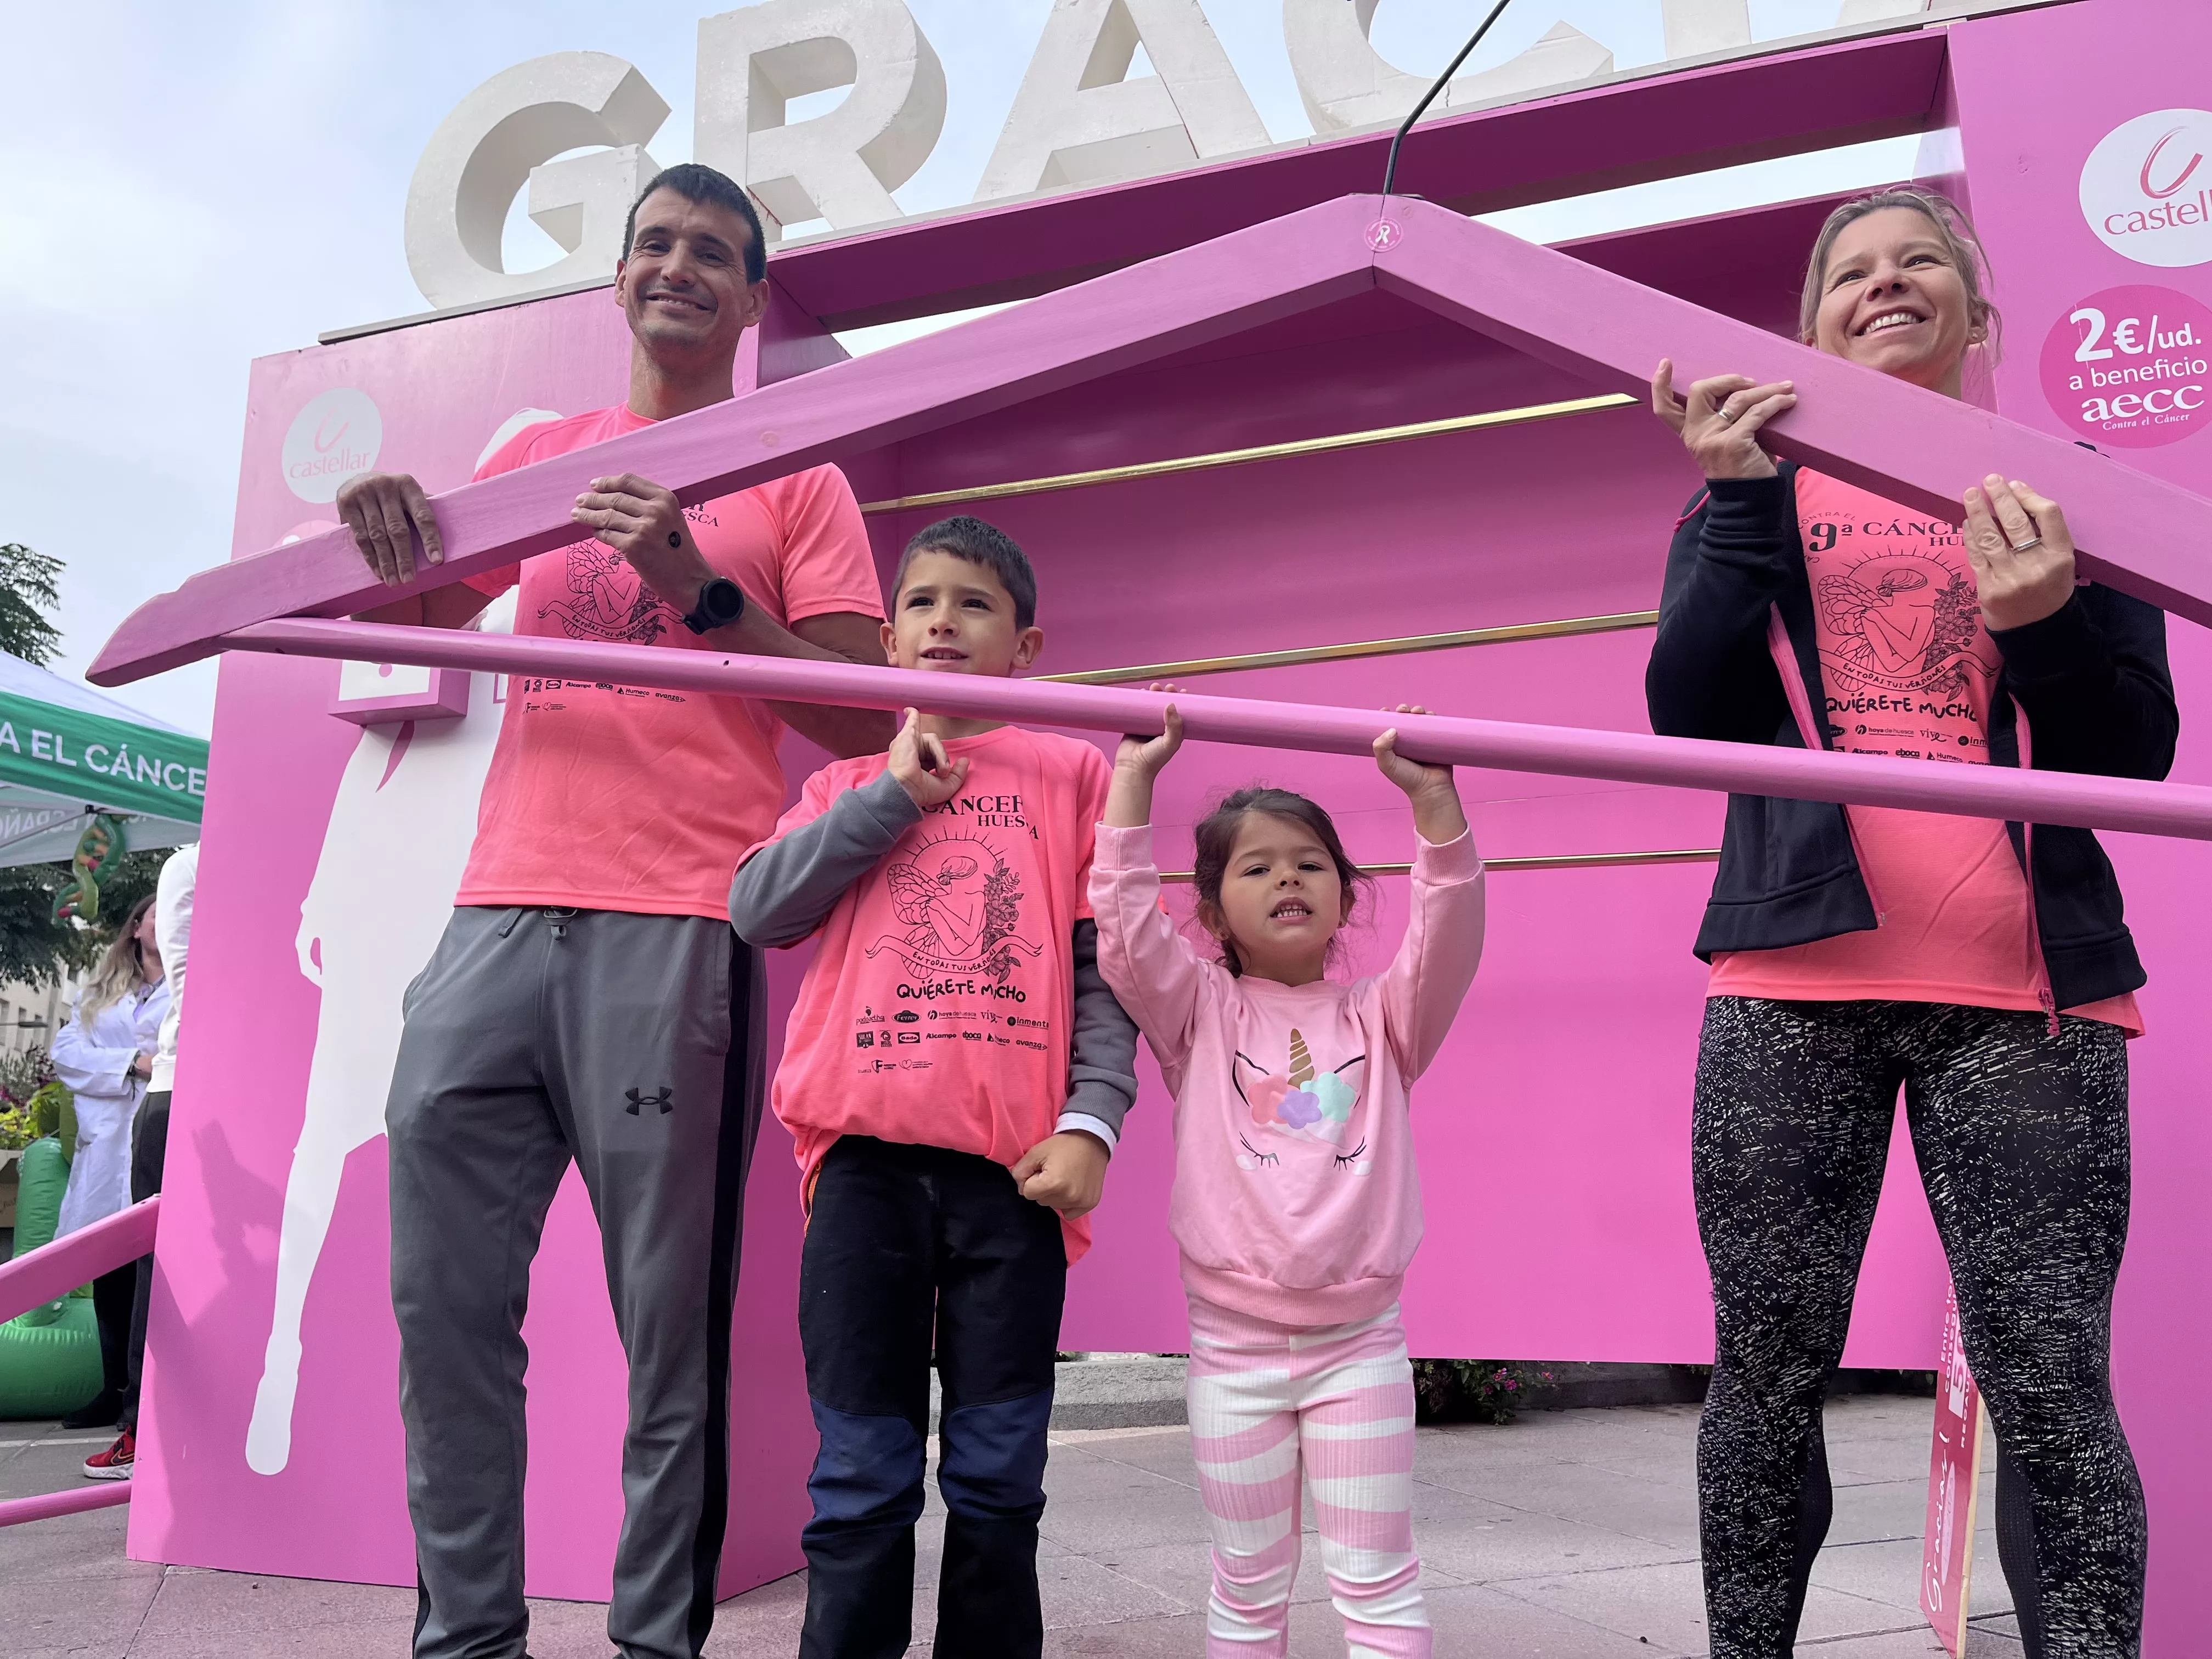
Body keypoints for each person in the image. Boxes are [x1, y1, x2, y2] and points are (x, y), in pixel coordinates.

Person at [339, 162, 892, 1659]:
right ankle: (468, 1642)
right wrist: (384, 531)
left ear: (754, 296)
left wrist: (692, 580)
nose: (678, 267)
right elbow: (412, 615)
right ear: (621, 274)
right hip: (494, 923)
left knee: (670, 1344)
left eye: (713, 251)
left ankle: (654, 1646)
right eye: (655, 242)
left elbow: (861, 716)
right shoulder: (542, 455)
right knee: (444, 1316)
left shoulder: (796, 474)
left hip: (679, 926)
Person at [1646, 187, 2171, 1658]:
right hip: (1789, 986)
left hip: (2033, 1000)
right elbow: (1691, 715)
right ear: (1813, 327)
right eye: (1853, 273)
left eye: (1918, 261)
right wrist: (1738, 502)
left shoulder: (2066, 489)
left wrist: (2045, 620)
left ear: (1975, 310)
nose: (1885, 284)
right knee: (1766, 1370)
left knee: (2052, 1384)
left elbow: (2132, 758)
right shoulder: (1747, 484)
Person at [727, 516, 1140, 1659]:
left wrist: (1092, 1120)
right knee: (860, 1473)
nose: (944, 620)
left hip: (1013, 1180)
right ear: (890, 638)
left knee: (1000, 1474)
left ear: (1025, 646)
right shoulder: (844, 782)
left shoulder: (1072, 774)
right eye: (921, 601)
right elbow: (759, 910)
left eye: (974, 603)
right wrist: (890, 799)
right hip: (860, 1171)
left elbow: (1108, 970)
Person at [1089, 698, 1486, 1658]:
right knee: (1247, 1584)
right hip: (1233, 1355)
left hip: (1361, 1348)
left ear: (1345, 897)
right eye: (1256, 867)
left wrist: (1434, 803)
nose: (1287, 879)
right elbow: (1126, 927)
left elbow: (1449, 930)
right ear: (1211, 910)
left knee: (1378, 1578)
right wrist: (1131, 781)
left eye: (1309, 863)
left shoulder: (1385, 1018)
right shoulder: (1198, 1011)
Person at [80, 842, 198, 1479]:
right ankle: (141, 1427)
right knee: (162, 1264)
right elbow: (195, 987)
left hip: (242, 1091)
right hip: (183, 1092)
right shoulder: (193, 865)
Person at [50, 893, 170, 1435]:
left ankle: (150, 1392)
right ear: (136, 928)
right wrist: (131, 1063)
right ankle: (114, 1387)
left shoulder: (192, 986)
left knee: (157, 1266)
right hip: (108, 1142)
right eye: (156, 913)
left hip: (161, 1134)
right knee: (111, 1266)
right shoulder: (100, 993)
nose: (167, 920)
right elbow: (67, 1054)